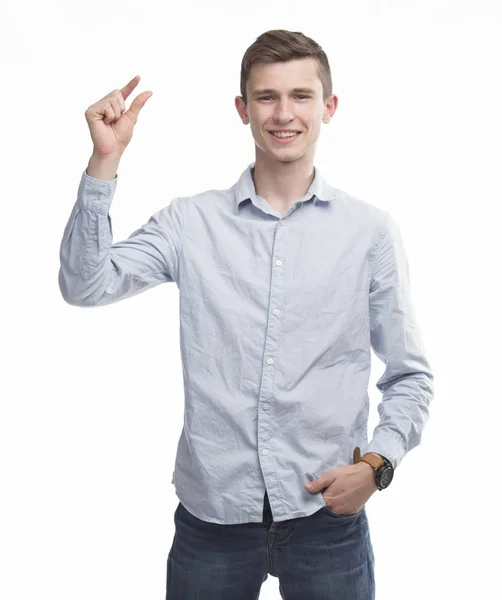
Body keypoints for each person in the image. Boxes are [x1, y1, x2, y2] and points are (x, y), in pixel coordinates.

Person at [59, 29, 434, 600]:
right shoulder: (190, 223)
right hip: (212, 519)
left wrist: (377, 466)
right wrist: (104, 162)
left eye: (301, 96)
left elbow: (409, 375)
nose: (284, 113)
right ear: (243, 109)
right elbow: (85, 285)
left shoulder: (369, 233)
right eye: (266, 97)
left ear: (328, 107)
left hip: (326, 518)